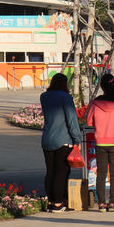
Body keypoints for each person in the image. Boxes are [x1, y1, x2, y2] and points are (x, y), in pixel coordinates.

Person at [85, 73, 114, 212]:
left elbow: (89, 121)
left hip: (101, 141)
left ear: (102, 86)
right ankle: (113, 202)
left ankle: (101, 203)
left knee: (101, 173)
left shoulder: (95, 102)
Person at [39, 73, 83, 212]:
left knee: (50, 171)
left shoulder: (44, 97)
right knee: (61, 172)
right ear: (65, 84)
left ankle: (51, 201)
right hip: (63, 140)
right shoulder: (66, 97)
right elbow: (71, 120)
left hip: (47, 139)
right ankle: (58, 203)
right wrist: (77, 139)